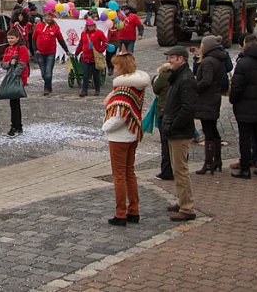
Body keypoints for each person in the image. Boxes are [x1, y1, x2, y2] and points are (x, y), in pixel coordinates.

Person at [102, 53, 149, 226]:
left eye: (116, 66)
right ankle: (134, 210)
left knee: (119, 175)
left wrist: (104, 127)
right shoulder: (137, 86)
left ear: (122, 67)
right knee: (129, 173)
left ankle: (120, 213)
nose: (114, 69)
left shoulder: (124, 90)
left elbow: (119, 117)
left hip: (119, 137)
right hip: (132, 134)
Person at [160, 46, 197, 221]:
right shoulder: (179, 76)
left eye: (172, 57)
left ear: (181, 59)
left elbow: (188, 108)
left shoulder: (186, 79)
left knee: (180, 169)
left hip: (180, 131)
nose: (169, 60)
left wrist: (174, 125)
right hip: (175, 129)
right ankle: (181, 200)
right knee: (177, 168)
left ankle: (187, 208)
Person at [229, 35, 257, 179]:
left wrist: (233, 100)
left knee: (245, 138)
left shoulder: (243, 63)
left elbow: (236, 86)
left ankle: (245, 168)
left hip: (244, 105)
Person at [193, 35, 228, 175]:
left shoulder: (208, 61)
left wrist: (194, 87)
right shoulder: (218, 59)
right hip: (214, 97)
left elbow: (206, 81)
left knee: (208, 130)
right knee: (213, 129)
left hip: (207, 99)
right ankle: (217, 160)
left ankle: (209, 162)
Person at [32, 10, 70, 95]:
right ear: (45, 17)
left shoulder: (55, 27)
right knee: (43, 73)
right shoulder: (39, 25)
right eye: (47, 16)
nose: (49, 18)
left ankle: (47, 88)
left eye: (51, 17)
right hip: (40, 52)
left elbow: (60, 40)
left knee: (48, 72)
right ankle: (48, 85)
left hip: (51, 52)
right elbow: (34, 38)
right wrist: (35, 49)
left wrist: (66, 50)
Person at [0, 29, 29, 137]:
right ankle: (16, 126)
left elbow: (23, 63)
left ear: (17, 38)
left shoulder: (22, 48)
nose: (10, 40)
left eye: (12, 38)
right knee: (13, 103)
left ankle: (16, 126)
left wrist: (14, 73)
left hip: (18, 79)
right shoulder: (8, 49)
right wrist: (9, 64)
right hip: (11, 78)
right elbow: (2, 64)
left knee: (15, 103)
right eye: (8, 38)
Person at [74, 18, 107, 97]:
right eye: (89, 26)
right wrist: (77, 52)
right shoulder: (83, 33)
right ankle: (84, 91)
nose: (91, 27)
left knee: (96, 75)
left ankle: (97, 89)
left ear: (94, 25)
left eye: (92, 25)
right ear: (87, 26)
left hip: (95, 57)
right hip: (85, 57)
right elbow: (81, 44)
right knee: (85, 74)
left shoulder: (99, 33)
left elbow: (106, 42)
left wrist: (101, 50)